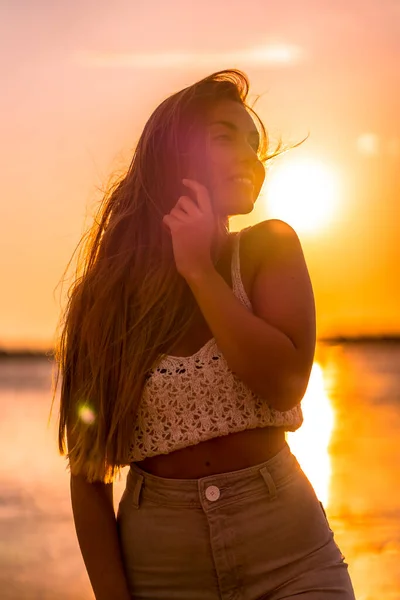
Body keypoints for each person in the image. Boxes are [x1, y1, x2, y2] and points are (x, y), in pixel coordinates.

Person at [50, 69, 356, 599]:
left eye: (254, 143)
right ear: (175, 154)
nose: (251, 157)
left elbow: (282, 383)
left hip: (291, 557)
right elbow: (89, 472)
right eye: (225, 137)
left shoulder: (267, 250)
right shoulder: (104, 302)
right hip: (163, 570)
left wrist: (199, 272)